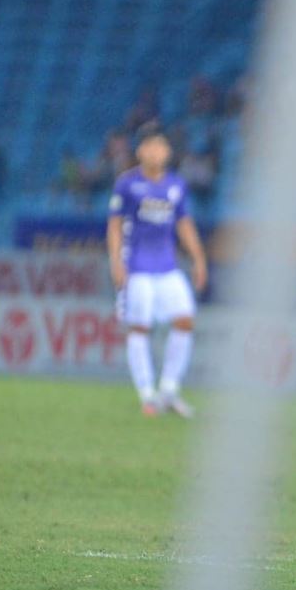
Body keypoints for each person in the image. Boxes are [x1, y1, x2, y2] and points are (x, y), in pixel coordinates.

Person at [107, 123, 208, 418]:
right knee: (139, 328)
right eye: (150, 146)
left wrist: (199, 258)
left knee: (185, 321)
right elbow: (114, 225)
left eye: (161, 146)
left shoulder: (176, 185)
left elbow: (184, 224)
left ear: (168, 151)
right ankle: (147, 395)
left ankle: (168, 390)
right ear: (140, 151)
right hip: (137, 267)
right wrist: (116, 261)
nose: (156, 152)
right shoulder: (127, 184)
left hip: (167, 267)